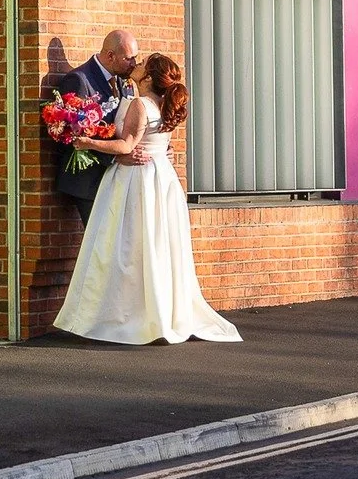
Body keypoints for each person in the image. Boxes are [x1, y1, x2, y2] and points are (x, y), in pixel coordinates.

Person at [54, 52, 241, 345]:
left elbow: (127, 143)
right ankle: (157, 312)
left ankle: (129, 316)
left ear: (150, 77)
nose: (136, 64)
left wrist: (86, 141)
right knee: (154, 248)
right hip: (161, 180)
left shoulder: (141, 104)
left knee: (126, 248)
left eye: (141, 64)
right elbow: (156, 142)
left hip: (136, 182)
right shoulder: (158, 103)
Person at [52, 30, 149, 223]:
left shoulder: (125, 81)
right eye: (129, 58)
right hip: (89, 181)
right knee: (100, 244)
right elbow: (73, 136)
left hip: (117, 180)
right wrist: (116, 156)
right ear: (110, 55)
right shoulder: (79, 80)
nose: (133, 64)